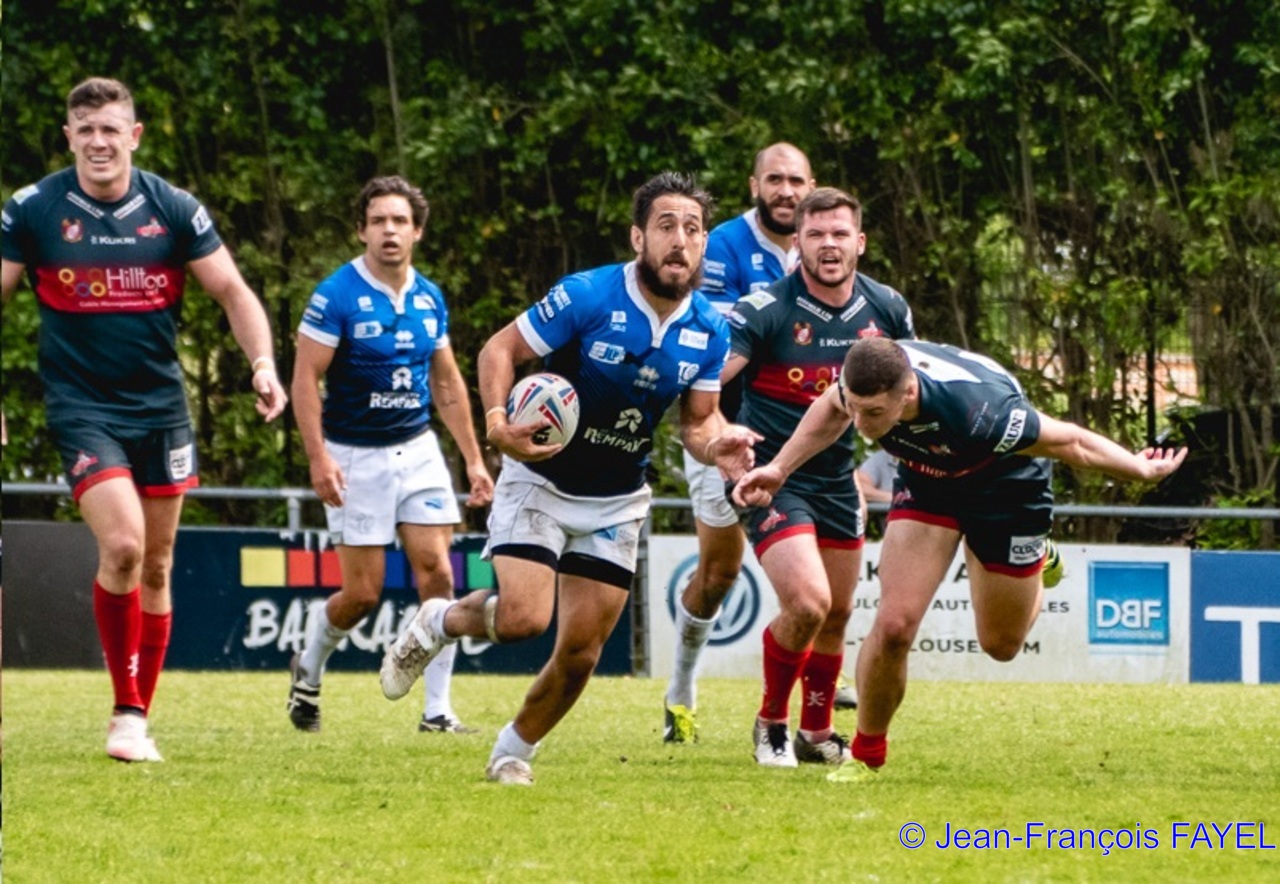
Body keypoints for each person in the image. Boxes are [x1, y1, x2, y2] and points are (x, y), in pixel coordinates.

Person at [378, 171, 758, 785]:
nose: (680, 241)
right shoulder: (589, 295)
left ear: (705, 245)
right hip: (541, 481)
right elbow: (498, 350)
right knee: (523, 619)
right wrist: (498, 425)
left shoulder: (711, 329)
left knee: (581, 654)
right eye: (665, 226)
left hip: (618, 498)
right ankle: (439, 622)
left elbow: (698, 422)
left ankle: (511, 752)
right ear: (638, 237)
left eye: (692, 229)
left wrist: (721, 447)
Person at [734, 337, 1187, 780]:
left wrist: (1140, 468)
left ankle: (1039, 560)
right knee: (894, 625)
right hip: (929, 484)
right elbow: (830, 409)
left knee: (1001, 645)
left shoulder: (982, 411)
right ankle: (867, 756)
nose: (860, 422)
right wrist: (779, 469)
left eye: (872, 413)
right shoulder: (865, 377)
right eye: (854, 407)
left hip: (1006, 487)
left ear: (908, 392)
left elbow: (1072, 443)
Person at [0, 77, 288, 762]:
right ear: (68, 137)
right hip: (82, 409)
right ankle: (127, 714)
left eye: (110, 129)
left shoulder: (174, 208)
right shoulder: (33, 210)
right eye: (85, 129)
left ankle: (133, 715)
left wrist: (263, 364)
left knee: (156, 566)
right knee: (125, 546)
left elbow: (233, 292)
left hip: (161, 409)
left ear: (133, 136)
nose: (98, 142)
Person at [286, 176, 494, 734]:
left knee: (437, 573)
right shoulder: (336, 295)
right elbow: (305, 380)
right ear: (361, 231)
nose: (389, 230)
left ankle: (437, 710)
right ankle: (308, 666)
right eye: (378, 220)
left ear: (417, 231)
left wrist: (474, 459)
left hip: (418, 449)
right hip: (354, 455)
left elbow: (446, 382)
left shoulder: (429, 297)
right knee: (363, 594)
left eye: (400, 220)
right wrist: (318, 457)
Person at [720, 187, 915, 767]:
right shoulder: (763, 310)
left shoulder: (887, 309)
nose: (828, 245)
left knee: (835, 615)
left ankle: (816, 733)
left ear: (860, 242)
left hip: (837, 480)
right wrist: (718, 436)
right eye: (815, 234)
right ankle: (771, 723)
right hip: (771, 479)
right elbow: (705, 384)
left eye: (839, 234)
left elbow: (908, 392)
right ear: (797, 244)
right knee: (807, 603)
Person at [663, 143, 815, 743]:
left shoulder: (823, 247)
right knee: (720, 572)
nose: (786, 190)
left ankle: (811, 707)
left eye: (796, 180)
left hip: (803, 436)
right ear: (755, 185)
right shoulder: (722, 245)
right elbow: (715, 348)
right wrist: (718, 429)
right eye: (774, 179)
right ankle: (680, 688)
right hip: (725, 428)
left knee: (818, 574)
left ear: (811, 186)